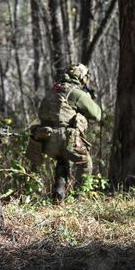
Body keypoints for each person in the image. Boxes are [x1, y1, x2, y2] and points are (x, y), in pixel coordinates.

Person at [28, 63, 102, 202]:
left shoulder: (54, 89)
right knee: (85, 162)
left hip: (45, 138)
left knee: (62, 160)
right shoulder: (75, 92)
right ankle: (79, 198)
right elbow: (97, 114)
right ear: (81, 77)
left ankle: (58, 194)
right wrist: (88, 99)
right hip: (64, 137)